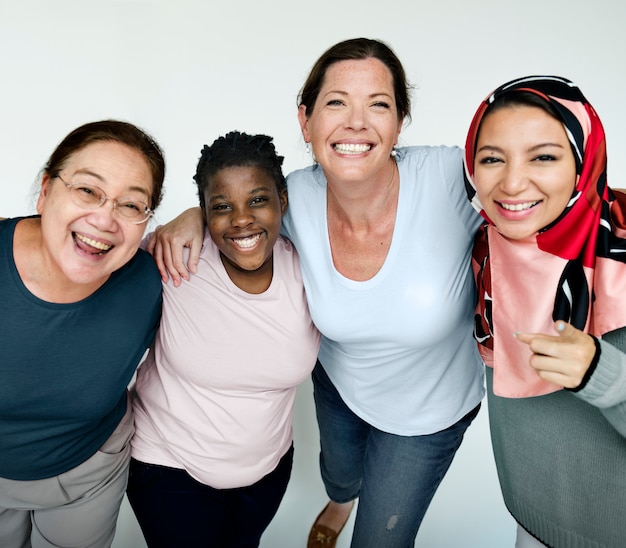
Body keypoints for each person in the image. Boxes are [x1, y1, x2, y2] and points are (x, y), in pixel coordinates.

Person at [147, 38, 485, 548]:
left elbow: (533, 194)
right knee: (340, 472)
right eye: (336, 103)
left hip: (429, 412)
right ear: (305, 122)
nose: (356, 122)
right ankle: (341, 498)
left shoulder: (450, 178)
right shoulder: (297, 196)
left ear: (399, 122)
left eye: (378, 104)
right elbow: (241, 206)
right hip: (341, 387)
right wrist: (192, 215)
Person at [126, 131, 320, 548]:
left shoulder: (310, 268)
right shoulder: (175, 258)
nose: (241, 219)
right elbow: (92, 264)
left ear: (282, 201)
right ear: (204, 212)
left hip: (266, 472)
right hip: (168, 469)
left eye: (257, 200)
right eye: (221, 207)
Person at [463, 75, 626, 548]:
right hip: (531, 520)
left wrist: (602, 372)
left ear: (583, 161)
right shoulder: (485, 253)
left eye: (544, 157)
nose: (512, 183)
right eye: (492, 158)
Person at [0, 120, 165, 548]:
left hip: (88, 473)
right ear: (45, 190)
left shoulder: (149, 280)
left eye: (131, 206)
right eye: (88, 190)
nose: (104, 219)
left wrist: (196, 218)